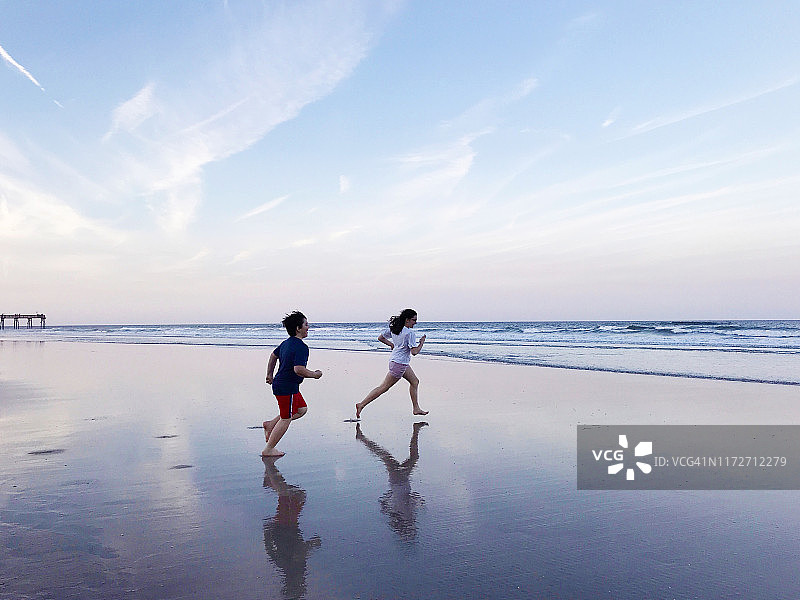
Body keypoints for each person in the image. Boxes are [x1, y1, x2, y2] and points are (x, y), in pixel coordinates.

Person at [262, 311, 322, 458]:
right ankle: (268, 449)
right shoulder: (301, 347)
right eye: (306, 324)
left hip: (286, 385)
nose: (308, 327)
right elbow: (299, 369)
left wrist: (269, 374)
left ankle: (270, 425)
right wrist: (314, 374)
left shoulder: (286, 343)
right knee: (286, 418)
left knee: (301, 409)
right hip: (286, 387)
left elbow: (273, 356)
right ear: (298, 328)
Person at [356, 308, 427, 418]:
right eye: (414, 320)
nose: (415, 322)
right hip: (399, 364)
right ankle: (361, 404)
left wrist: (391, 345)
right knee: (383, 387)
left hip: (398, 362)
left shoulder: (395, 328)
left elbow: (381, 338)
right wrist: (421, 343)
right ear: (407, 320)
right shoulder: (410, 333)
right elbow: (414, 352)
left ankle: (416, 408)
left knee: (415, 381)